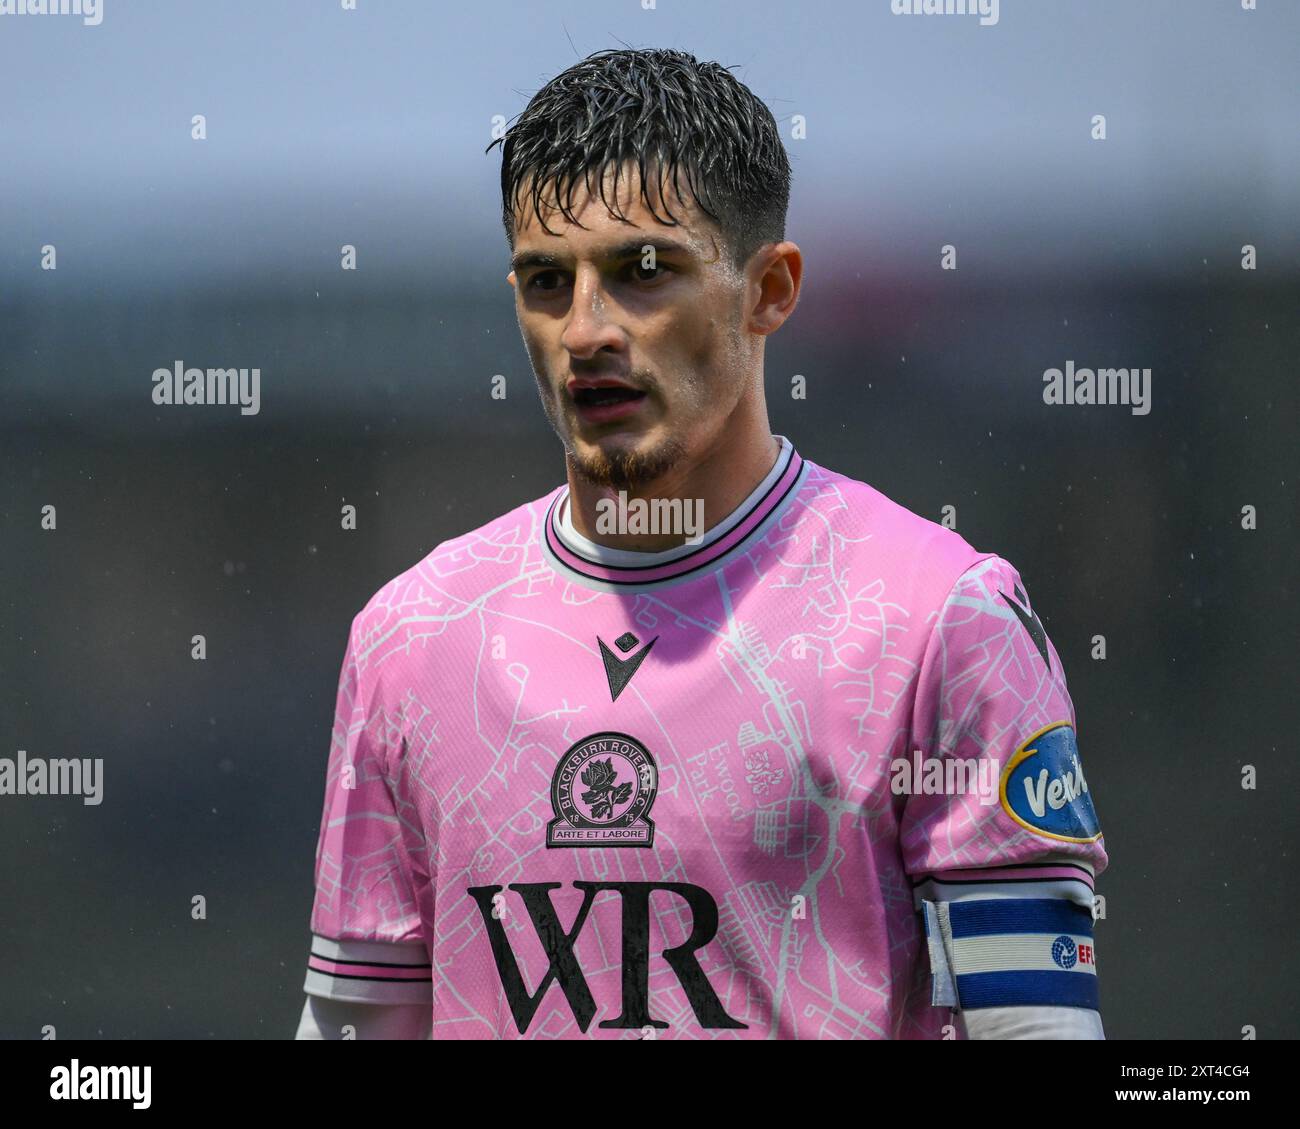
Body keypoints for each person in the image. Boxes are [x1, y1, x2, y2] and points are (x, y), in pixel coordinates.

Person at [295, 47, 1106, 1040]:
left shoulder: (944, 620)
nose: (585, 329)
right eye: (547, 281)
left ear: (769, 289)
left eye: (643, 273)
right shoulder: (409, 640)